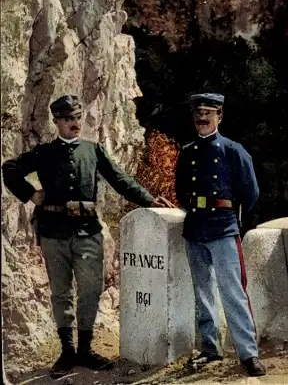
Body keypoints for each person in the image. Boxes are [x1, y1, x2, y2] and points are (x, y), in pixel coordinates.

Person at [2, 94, 173, 379]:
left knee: (91, 290)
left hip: (88, 232)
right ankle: (67, 351)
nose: (74, 123)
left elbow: (121, 180)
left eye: (78, 118)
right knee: (61, 292)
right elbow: (9, 168)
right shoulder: (44, 153)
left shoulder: (92, 151)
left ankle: (85, 349)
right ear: (56, 122)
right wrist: (31, 194)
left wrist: (149, 200)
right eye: (68, 119)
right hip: (54, 233)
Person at [175, 93, 266, 377]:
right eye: (198, 114)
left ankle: (248, 354)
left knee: (233, 293)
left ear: (219, 116)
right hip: (195, 229)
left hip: (223, 228)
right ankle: (210, 349)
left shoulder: (232, 150)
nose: (202, 119)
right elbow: (180, 191)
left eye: (208, 114)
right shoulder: (187, 152)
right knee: (203, 293)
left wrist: (234, 218)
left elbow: (250, 192)